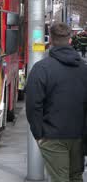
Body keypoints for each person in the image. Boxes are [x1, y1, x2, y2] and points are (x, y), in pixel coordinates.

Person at [26, 22, 87, 182]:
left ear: (51, 41)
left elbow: (33, 105)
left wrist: (39, 134)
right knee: (76, 177)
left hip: (52, 135)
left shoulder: (41, 68)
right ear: (70, 40)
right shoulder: (83, 68)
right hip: (78, 135)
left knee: (60, 179)